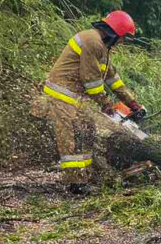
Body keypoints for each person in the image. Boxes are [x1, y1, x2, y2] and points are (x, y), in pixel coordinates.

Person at [33, 11, 142, 194]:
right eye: (123, 38)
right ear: (115, 33)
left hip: (74, 99)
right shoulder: (92, 42)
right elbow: (91, 81)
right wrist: (106, 104)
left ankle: (84, 175)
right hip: (61, 97)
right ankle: (76, 183)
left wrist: (132, 103)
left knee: (88, 130)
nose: (122, 42)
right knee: (73, 139)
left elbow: (112, 79)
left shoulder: (102, 48)